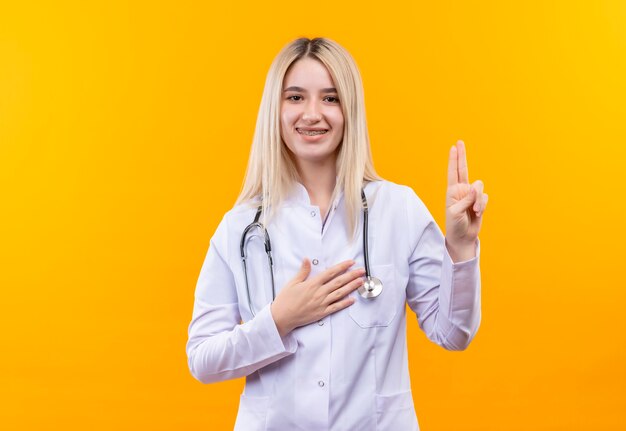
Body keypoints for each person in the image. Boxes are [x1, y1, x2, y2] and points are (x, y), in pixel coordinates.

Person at [186, 37, 488, 431]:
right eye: (295, 97)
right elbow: (202, 359)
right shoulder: (241, 227)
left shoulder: (398, 209)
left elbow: (453, 333)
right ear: (274, 110)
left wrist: (461, 246)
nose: (312, 114)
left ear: (351, 110)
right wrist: (279, 320)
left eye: (330, 98)